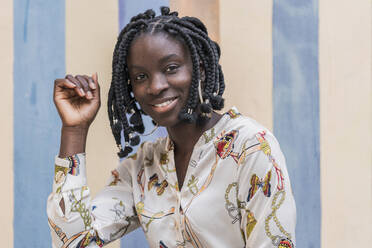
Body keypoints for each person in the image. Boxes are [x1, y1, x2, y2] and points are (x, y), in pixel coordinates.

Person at [47, 7, 296, 248]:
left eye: (171, 68)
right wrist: (74, 130)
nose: (155, 86)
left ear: (199, 70)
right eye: (141, 77)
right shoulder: (144, 168)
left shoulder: (250, 147)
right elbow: (73, 242)